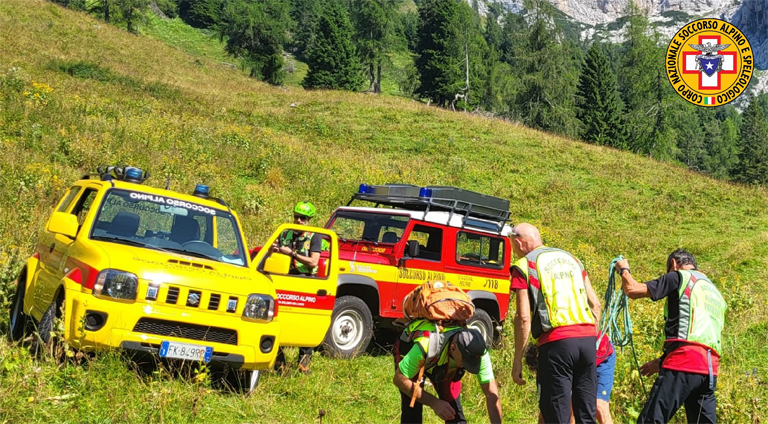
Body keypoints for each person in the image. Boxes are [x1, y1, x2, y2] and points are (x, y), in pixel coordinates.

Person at [616, 249, 726, 424]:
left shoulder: (680, 277)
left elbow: (633, 290)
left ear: (674, 264)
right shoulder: (713, 291)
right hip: (709, 371)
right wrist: (661, 362)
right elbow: (699, 335)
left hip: (683, 362)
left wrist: (623, 269)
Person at [510, 223, 602, 424]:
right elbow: (595, 304)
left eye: (513, 247)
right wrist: (590, 338)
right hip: (587, 340)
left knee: (556, 415)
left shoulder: (525, 264)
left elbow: (523, 316)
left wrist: (518, 359)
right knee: (586, 415)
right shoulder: (573, 260)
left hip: (557, 343)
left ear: (518, 243)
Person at [393, 321, 502, 424]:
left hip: (442, 365)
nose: (467, 367)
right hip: (415, 353)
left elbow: (491, 393)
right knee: (412, 409)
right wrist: (433, 402)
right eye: (465, 362)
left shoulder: (478, 351)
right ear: (453, 348)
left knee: (454, 414)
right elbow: (399, 379)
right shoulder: (425, 346)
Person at [272, 201, 324, 373]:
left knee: (305, 323)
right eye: (296, 217)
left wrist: (292, 253)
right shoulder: (286, 233)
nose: (298, 221)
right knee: (277, 318)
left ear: (309, 220)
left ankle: (304, 364)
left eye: (302, 218)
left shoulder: (315, 236)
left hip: (306, 281)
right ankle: (279, 361)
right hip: (285, 278)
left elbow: (313, 262)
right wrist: (276, 250)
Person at [525, 332, 615, 424]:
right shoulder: (546, 345)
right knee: (560, 409)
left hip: (601, 355)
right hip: (567, 358)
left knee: (599, 406)